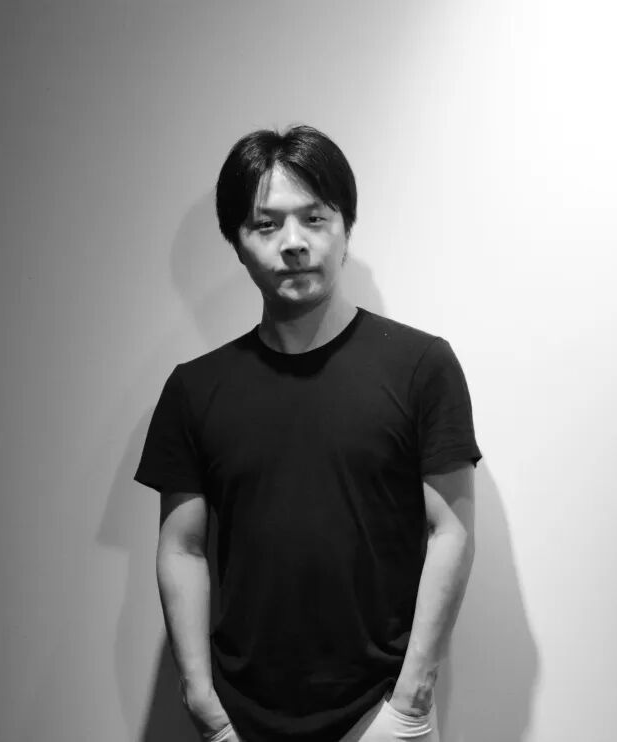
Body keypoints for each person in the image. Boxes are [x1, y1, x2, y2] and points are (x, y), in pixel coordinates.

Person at [134, 125, 482, 742]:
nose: (294, 243)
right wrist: (201, 699)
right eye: (266, 225)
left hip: (380, 712)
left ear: (346, 228)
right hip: (241, 717)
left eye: (315, 218)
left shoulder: (421, 366)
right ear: (238, 244)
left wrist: (410, 699)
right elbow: (181, 548)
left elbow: (449, 529)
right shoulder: (195, 388)